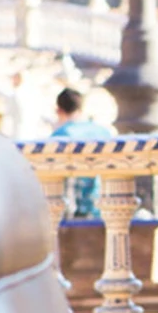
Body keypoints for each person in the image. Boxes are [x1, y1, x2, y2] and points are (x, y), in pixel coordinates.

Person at [50, 88, 114, 218]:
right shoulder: (103, 132)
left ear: (59, 111)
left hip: (75, 207)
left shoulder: (61, 135)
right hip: (105, 204)